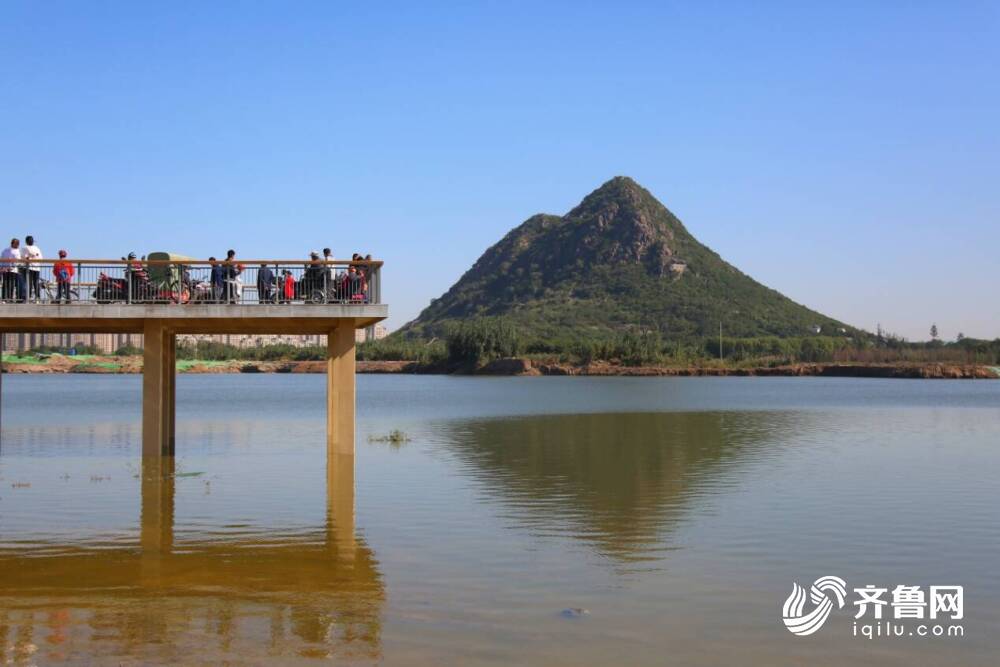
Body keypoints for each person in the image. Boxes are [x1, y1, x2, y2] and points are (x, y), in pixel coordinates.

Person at [22, 235, 43, 302]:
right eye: (30, 240)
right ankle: (30, 296)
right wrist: (33, 256)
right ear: (27, 241)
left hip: (36, 267)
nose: (31, 241)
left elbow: (40, 257)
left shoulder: (36, 248)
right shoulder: (25, 248)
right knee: (30, 283)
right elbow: (25, 257)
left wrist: (32, 256)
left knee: (35, 283)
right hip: (29, 267)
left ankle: (37, 297)